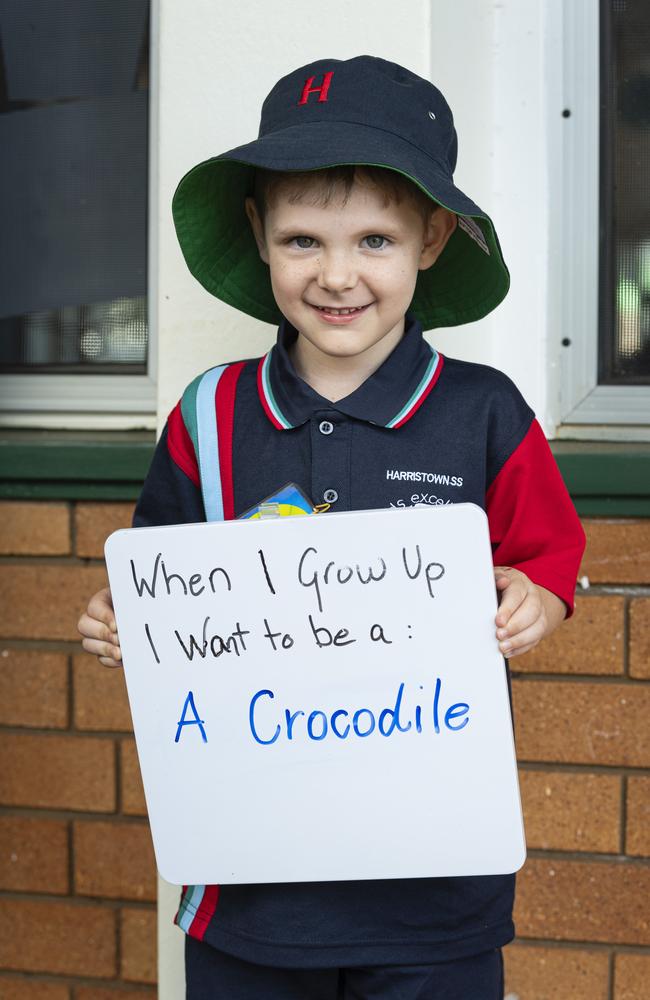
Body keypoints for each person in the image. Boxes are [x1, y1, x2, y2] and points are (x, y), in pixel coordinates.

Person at [78, 55, 586, 1000]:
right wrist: (125, 622)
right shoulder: (208, 414)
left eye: (375, 242)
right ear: (258, 236)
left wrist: (537, 600)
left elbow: (547, 558)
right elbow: (162, 574)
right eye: (304, 240)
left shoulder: (486, 411)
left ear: (432, 239)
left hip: (436, 890)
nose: (338, 275)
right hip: (250, 890)